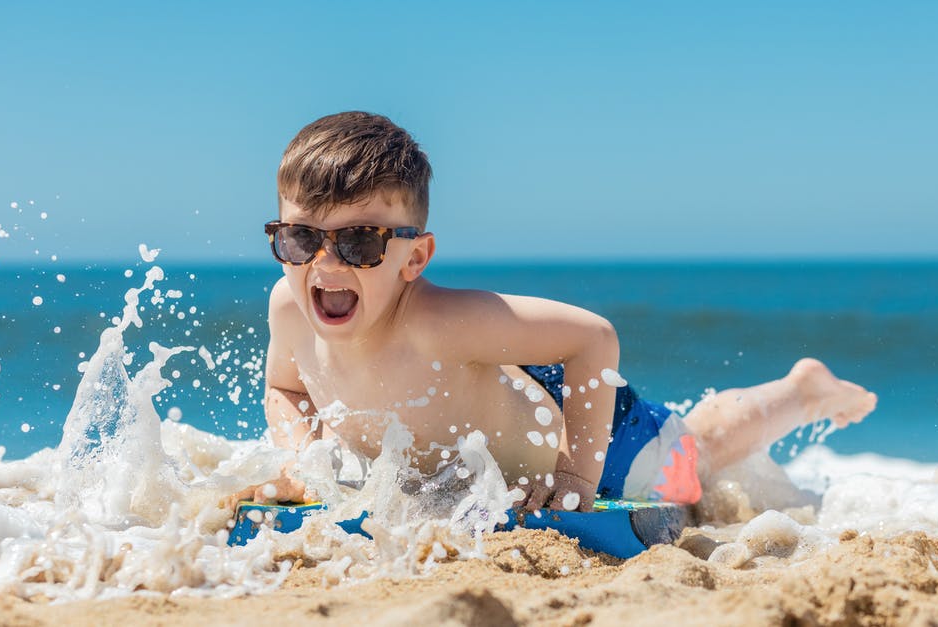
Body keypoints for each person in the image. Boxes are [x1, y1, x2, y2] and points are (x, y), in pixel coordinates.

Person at [244, 111, 877, 512]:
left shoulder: (441, 324)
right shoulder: (289, 310)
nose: (326, 264)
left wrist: (577, 471)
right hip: (494, 435)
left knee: (697, 453)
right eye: (300, 238)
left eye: (359, 242)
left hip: (587, 439)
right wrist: (305, 463)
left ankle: (801, 389)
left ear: (416, 257)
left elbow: (593, 338)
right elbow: (284, 386)